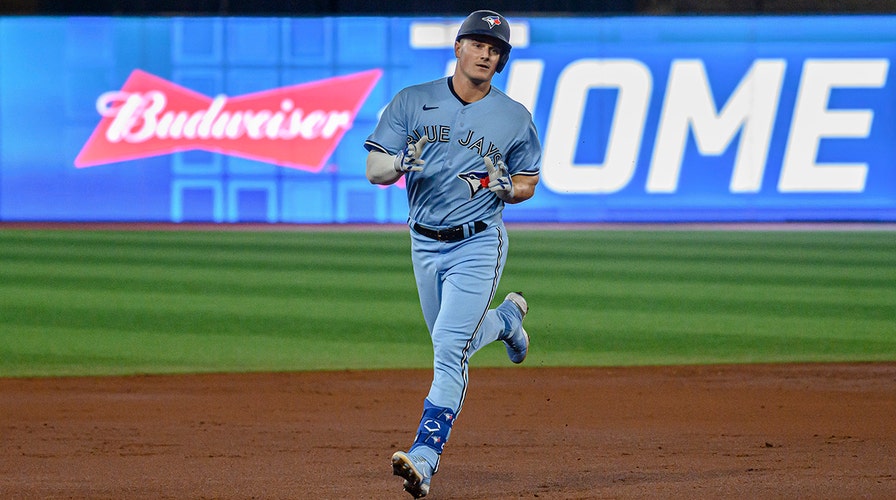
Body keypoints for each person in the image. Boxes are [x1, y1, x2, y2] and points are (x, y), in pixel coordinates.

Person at [364, 9, 542, 498]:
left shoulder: (513, 117)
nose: (487, 52)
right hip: (423, 240)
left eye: (496, 48)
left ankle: (425, 455)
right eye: (479, 42)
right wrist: (400, 162)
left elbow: (527, 180)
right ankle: (506, 320)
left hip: (479, 239)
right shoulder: (412, 101)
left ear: (501, 60)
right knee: (453, 341)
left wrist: (510, 189)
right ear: (459, 47)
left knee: (448, 347)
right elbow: (375, 168)